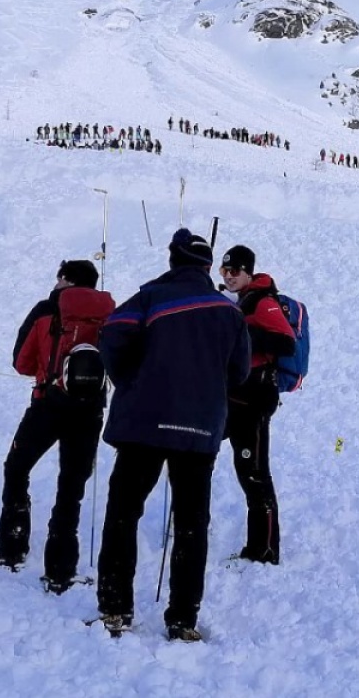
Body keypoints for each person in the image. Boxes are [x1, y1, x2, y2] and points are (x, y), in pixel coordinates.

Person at [93, 229, 250, 642]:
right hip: (199, 428)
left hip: (142, 424)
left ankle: (115, 609)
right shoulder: (230, 312)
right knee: (192, 524)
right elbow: (239, 373)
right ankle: (182, 618)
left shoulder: (150, 298)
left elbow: (111, 336)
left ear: (173, 261)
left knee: (123, 514)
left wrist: (130, 380)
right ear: (207, 266)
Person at [0, 260, 116, 593]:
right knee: (71, 486)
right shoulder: (109, 313)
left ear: (65, 280)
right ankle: (60, 570)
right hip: (90, 411)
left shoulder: (47, 310)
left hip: (48, 404)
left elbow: (22, 362)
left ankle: (12, 545)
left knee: (17, 467)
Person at [218, 245, 296, 565]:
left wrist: (244, 331)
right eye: (224, 270)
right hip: (234, 396)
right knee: (219, 461)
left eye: (235, 270)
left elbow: (286, 342)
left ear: (248, 272)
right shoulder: (241, 300)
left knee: (254, 474)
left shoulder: (263, 302)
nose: (229, 276)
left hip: (255, 400)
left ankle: (264, 550)